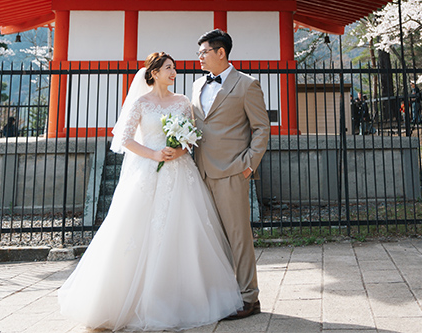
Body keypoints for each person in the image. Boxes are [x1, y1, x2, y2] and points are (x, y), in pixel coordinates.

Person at [57, 52, 244, 330]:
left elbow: (192, 138)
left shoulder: (182, 102)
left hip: (180, 172)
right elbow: (124, 139)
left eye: (175, 69)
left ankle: (184, 297)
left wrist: (178, 149)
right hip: (148, 171)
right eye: (169, 68)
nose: (174, 73)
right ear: (154, 73)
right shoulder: (141, 103)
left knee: (185, 231)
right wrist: (154, 154)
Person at [191, 29, 271, 321]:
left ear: (220, 52)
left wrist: (249, 163)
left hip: (232, 171)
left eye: (203, 52)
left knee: (239, 236)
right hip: (199, 170)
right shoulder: (197, 84)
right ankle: (225, 294)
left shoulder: (247, 85)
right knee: (212, 237)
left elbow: (261, 127)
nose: (199, 58)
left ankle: (250, 298)